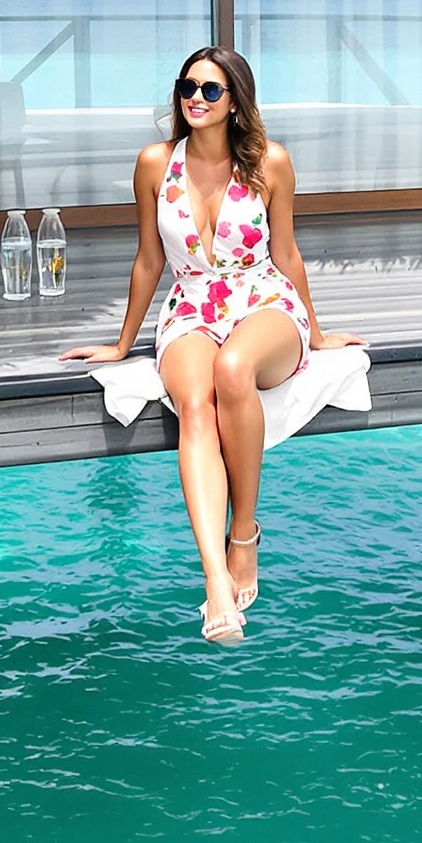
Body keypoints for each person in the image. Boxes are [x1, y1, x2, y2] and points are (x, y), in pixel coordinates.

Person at [61, 47, 364, 642]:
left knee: (233, 368)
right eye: (187, 87)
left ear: (235, 102)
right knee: (194, 404)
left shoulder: (270, 163)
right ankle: (215, 585)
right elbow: (149, 259)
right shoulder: (154, 164)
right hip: (190, 306)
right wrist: (123, 346)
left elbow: (288, 255)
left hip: (265, 302)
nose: (195, 99)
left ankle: (243, 535)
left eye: (211, 90)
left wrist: (321, 334)